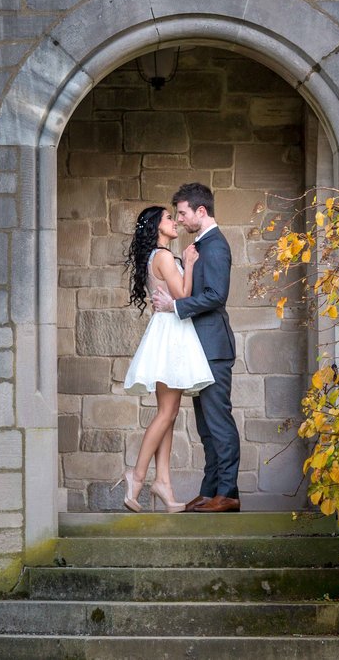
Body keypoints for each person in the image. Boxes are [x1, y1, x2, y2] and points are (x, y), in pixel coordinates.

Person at [152, 183, 240, 513]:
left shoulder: (215, 245)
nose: (180, 219)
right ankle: (210, 490)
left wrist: (175, 307)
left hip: (213, 348)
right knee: (206, 427)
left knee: (219, 423)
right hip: (200, 350)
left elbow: (217, 295)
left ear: (201, 212)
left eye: (183, 213)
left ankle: (228, 493)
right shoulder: (201, 244)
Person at [119, 205, 214, 513]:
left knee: (169, 412)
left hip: (169, 332)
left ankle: (163, 484)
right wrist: (187, 261)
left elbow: (174, 298)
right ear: (157, 227)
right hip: (171, 335)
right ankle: (136, 475)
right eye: (169, 218)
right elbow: (184, 296)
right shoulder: (163, 256)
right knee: (167, 412)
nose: (175, 222)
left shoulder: (158, 257)